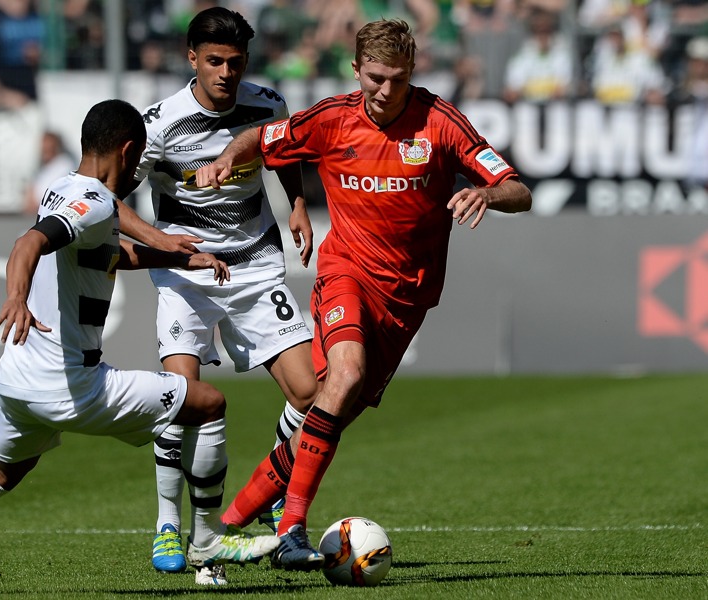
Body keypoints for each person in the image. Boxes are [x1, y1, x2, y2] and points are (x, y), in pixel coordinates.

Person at [0, 99, 279, 596]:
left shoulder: (62, 189)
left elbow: (107, 252)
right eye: (137, 161)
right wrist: (17, 298)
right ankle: (206, 538)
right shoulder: (95, 203)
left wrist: (174, 255)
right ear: (129, 151)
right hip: (73, 384)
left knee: (2, 472)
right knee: (208, 403)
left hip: (19, 380)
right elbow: (28, 244)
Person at [196, 18, 533, 571]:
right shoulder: (333, 118)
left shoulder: (442, 124)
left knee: (325, 418)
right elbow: (263, 136)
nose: (383, 90)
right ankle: (290, 530)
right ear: (356, 71)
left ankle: (225, 528)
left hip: (407, 300)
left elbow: (519, 189)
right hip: (346, 272)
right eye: (374, 77)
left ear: (412, 72)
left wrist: (487, 194)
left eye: (395, 79)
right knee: (344, 375)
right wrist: (232, 156)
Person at [114, 7, 320, 584]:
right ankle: (166, 524)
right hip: (186, 276)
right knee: (183, 398)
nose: (226, 73)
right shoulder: (159, 125)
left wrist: (298, 202)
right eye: (214, 62)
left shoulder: (268, 104)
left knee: (310, 394)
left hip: (255, 264)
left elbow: (282, 153)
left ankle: (275, 484)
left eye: (235, 62)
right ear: (192, 60)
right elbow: (114, 193)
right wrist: (156, 243)